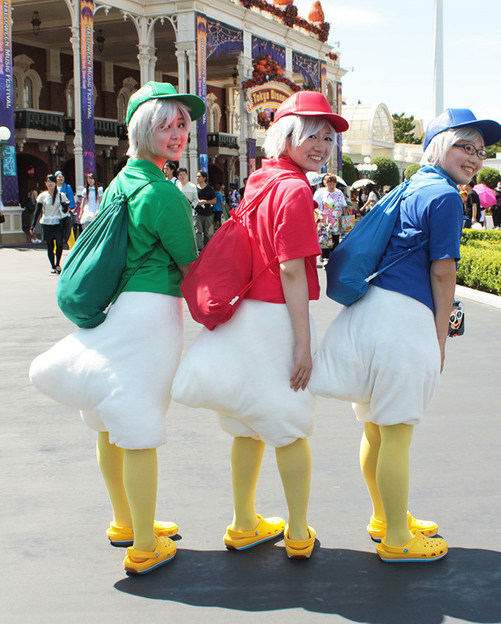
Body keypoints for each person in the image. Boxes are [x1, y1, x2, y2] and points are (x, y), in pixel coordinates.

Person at [309, 108, 501, 563]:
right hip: (404, 321)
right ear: (439, 145)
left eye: (480, 151)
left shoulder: (412, 185)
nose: (474, 158)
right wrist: (438, 337)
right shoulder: (446, 198)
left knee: (377, 429)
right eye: (465, 147)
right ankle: (396, 538)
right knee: (395, 434)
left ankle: (386, 517)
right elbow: (443, 273)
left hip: (373, 312)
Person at [29, 81, 205, 575]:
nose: (177, 135)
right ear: (143, 130)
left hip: (120, 309)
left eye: (182, 125)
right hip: (151, 316)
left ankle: (125, 521)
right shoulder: (161, 192)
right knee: (140, 423)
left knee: (109, 421)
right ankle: (146, 544)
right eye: (166, 125)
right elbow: (191, 264)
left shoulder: (122, 182)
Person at [172, 91, 349, 560]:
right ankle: (296, 532)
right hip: (273, 320)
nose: (322, 145)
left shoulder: (260, 179)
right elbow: (291, 269)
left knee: (246, 428)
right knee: (291, 428)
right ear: (286, 135)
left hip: (241, 316)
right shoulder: (294, 189)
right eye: (312, 134)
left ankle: (244, 522)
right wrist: (304, 344)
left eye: (328, 137)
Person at [30, 174, 70, 273]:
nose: (50, 183)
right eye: (48, 181)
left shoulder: (61, 195)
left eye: (52, 181)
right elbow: (37, 211)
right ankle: (53, 265)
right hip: (47, 223)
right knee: (50, 246)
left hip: (57, 223)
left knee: (59, 244)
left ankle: (58, 264)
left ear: (55, 183)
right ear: (45, 183)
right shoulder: (42, 196)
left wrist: (65, 205)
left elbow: (65, 211)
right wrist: (33, 225)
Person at [313, 174, 347, 263]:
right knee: (325, 238)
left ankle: (334, 257)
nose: (331, 186)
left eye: (333, 184)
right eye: (329, 184)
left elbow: (343, 205)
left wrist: (343, 212)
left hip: (336, 220)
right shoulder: (321, 192)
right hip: (324, 220)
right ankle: (325, 257)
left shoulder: (339, 193)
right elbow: (314, 205)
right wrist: (320, 213)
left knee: (335, 239)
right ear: (326, 184)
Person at [194, 169, 216, 250]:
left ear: (204, 178)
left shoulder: (210, 189)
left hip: (207, 214)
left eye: (199, 176)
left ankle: (207, 249)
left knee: (206, 233)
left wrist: (205, 202)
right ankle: (199, 249)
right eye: (196, 176)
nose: (197, 178)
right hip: (197, 213)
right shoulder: (194, 188)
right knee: (198, 231)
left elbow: (214, 200)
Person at [55, 170, 76, 244]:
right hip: (55, 212)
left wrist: (69, 209)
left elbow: (71, 199)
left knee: (68, 228)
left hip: (65, 211)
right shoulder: (54, 188)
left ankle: (72, 246)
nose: (61, 178)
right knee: (55, 229)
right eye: (59, 177)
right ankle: (55, 248)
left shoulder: (67, 187)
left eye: (62, 177)